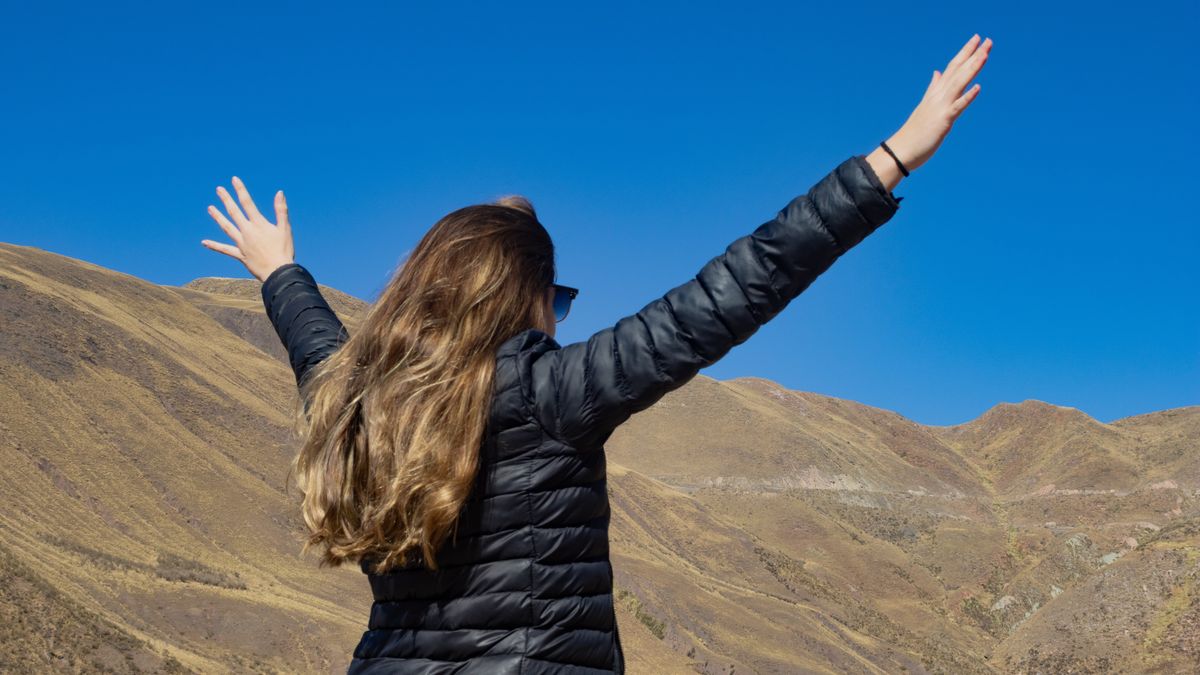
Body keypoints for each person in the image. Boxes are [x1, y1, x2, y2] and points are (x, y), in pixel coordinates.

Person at [200, 34, 991, 675]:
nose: (560, 320)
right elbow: (736, 287)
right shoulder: (550, 393)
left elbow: (317, 347)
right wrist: (891, 159)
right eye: (557, 301)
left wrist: (278, 271)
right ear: (520, 299)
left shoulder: (356, 408)